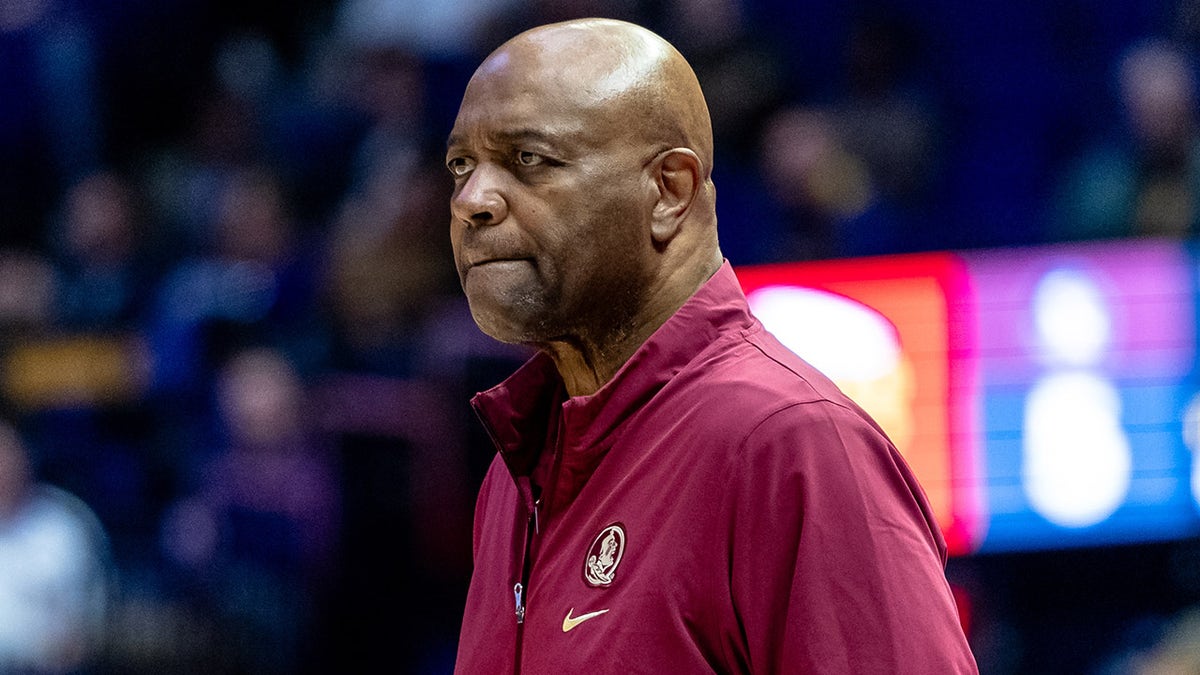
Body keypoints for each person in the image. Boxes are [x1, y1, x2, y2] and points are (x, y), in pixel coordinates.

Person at [445, 18, 977, 674]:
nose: (472, 201)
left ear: (669, 190)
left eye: (529, 159)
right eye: (461, 166)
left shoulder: (793, 443)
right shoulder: (514, 473)